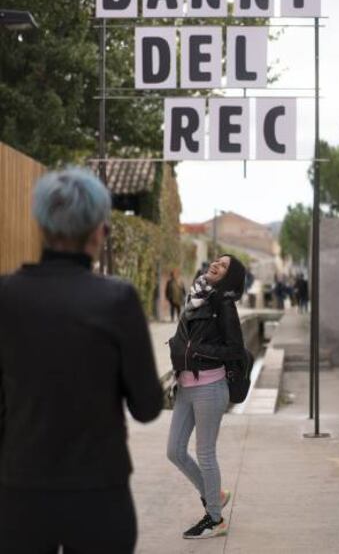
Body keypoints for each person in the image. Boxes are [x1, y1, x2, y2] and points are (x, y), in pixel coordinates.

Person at [0, 168, 163, 554]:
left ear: (40, 226)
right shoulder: (117, 300)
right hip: (98, 492)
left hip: (19, 489)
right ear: (99, 233)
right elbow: (147, 406)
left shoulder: (5, 296)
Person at [167, 254, 246, 540]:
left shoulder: (222, 304)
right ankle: (216, 494)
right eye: (217, 261)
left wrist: (199, 352)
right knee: (174, 450)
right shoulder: (196, 294)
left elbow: (236, 349)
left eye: (224, 266)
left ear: (230, 278)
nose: (216, 265)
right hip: (186, 386)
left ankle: (215, 518)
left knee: (205, 453)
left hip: (210, 387)